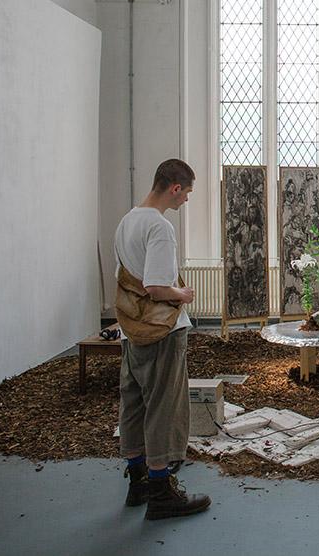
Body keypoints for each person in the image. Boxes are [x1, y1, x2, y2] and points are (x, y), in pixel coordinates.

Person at [114, 159, 211, 520]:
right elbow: (155, 286)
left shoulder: (127, 222)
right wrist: (181, 294)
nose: (186, 199)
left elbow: (130, 280)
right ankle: (161, 490)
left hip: (132, 328)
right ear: (174, 188)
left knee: (134, 403)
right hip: (162, 332)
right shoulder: (159, 226)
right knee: (163, 406)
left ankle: (137, 481)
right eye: (187, 192)